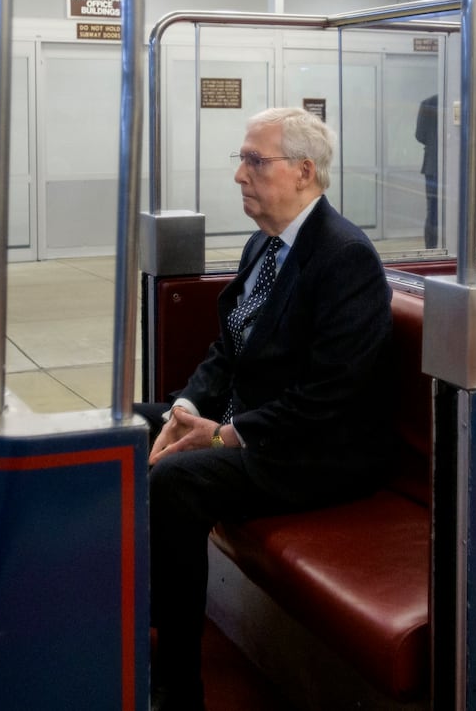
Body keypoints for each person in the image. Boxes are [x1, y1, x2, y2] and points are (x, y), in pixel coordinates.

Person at [139, 107, 393, 711]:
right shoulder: (264, 244)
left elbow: (331, 396)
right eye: (242, 160)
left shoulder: (345, 258)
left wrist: (224, 435)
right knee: (123, 428)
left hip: (313, 452)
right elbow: (225, 350)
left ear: (304, 172)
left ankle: (178, 683)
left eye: (255, 161)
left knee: (177, 481)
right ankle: (137, 606)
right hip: (246, 421)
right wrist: (183, 409)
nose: (240, 176)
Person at [415, 93, 439, 247]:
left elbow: (419, 135)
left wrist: (432, 144)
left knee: (432, 211)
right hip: (449, 167)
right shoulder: (455, 101)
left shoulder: (427, 103)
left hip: (432, 166)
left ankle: (431, 250)